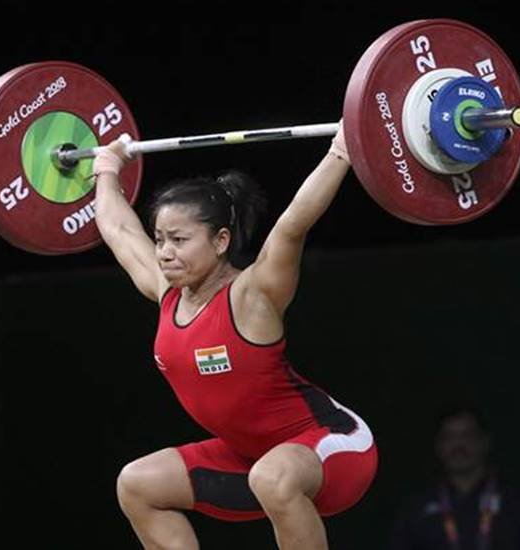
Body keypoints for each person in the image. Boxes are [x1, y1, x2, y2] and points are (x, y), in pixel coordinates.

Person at [91, 122, 377, 549]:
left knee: (272, 477)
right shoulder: (167, 292)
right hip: (250, 460)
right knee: (137, 485)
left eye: (179, 239)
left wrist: (343, 150)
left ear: (221, 240)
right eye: (160, 239)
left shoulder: (252, 296)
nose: (164, 252)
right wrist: (107, 167)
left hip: (332, 449)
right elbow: (118, 229)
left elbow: (292, 226)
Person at [389, 406, 520, 550]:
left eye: (466, 436)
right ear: (438, 446)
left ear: (485, 441)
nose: (458, 446)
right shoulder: (416, 509)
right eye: (449, 437)